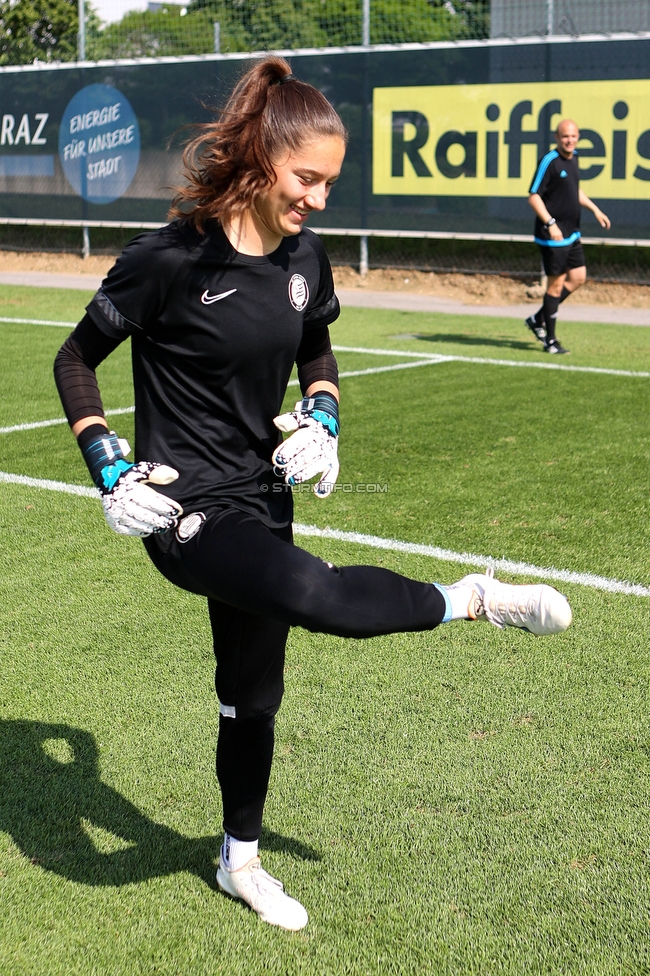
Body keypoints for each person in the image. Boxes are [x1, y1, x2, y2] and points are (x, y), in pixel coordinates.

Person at [54, 57, 572, 932]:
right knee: (311, 594)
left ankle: (238, 861)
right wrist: (108, 464)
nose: (319, 199)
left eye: (331, 182)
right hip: (181, 507)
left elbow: (318, 353)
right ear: (260, 157)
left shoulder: (306, 256)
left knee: (250, 697)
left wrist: (323, 420)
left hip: (264, 497)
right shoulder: (170, 258)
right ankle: (474, 598)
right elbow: (75, 361)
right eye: (307, 179)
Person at [526, 118, 611, 355]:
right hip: (553, 236)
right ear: (557, 137)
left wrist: (595, 209)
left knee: (578, 277)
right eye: (565, 136)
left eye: (573, 136)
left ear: (578, 136)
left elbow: (574, 190)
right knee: (555, 286)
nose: (569, 140)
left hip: (572, 233)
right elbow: (533, 196)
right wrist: (550, 223)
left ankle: (537, 319)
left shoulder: (575, 159)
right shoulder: (549, 162)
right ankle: (550, 341)